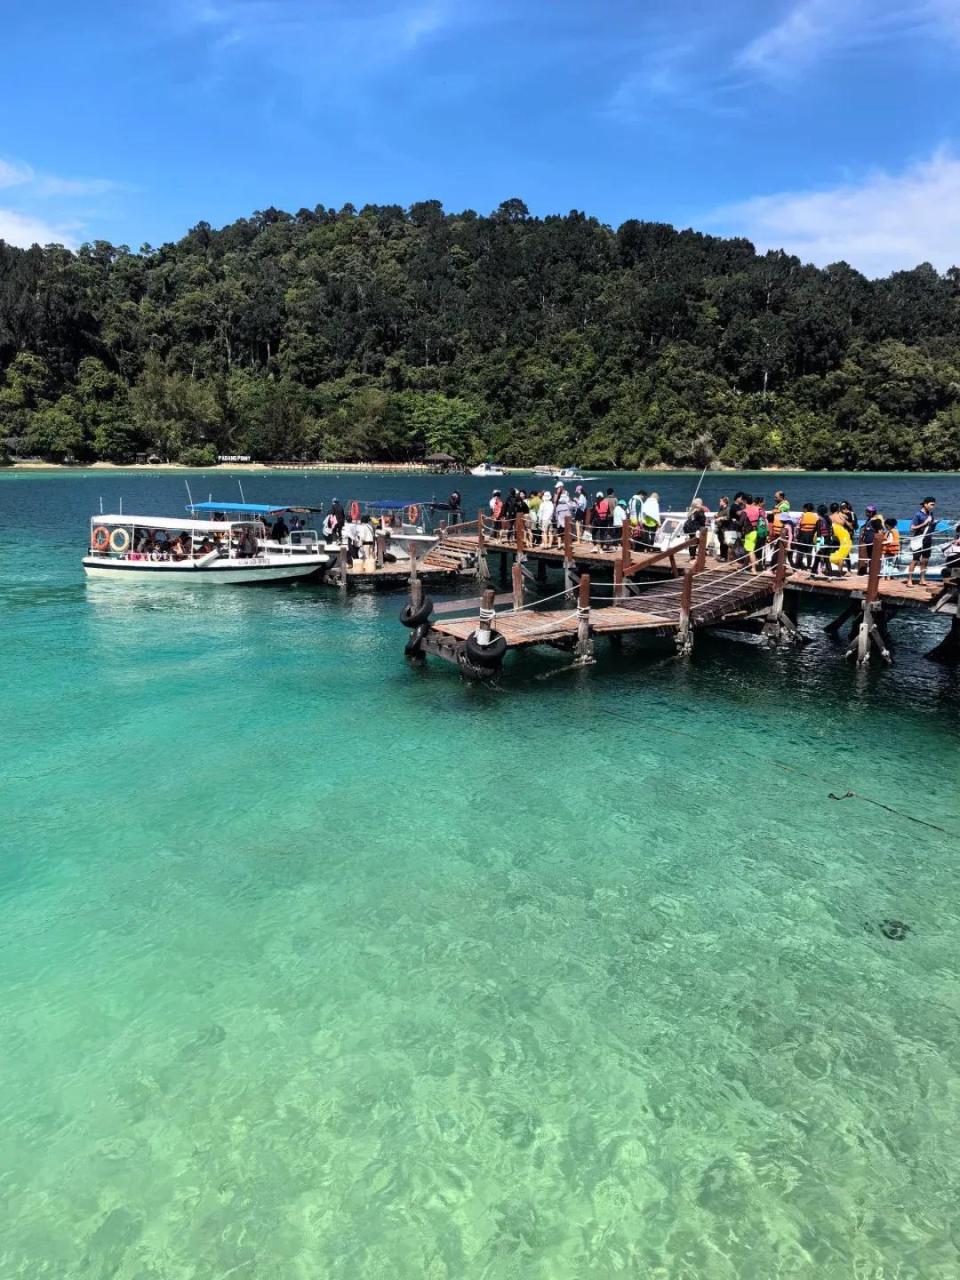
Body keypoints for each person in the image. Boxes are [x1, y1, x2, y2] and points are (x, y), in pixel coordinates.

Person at [906, 496, 937, 586]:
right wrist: (924, 523)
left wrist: (933, 524)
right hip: (918, 539)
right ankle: (909, 580)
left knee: (925, 560)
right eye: (931, 505)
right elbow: (912, 528)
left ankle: (922, 579)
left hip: (927, 539)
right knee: (915, 559)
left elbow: (930, 526)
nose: (933, 506)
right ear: (925, 504)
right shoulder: (918, 514)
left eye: (934, 505)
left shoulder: (931, 514)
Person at [793, 502, 819, 572]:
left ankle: (798, 565)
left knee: (800, 551)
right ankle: (808, 566)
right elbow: (817, 527)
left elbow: (798, 526)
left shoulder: (803, 515)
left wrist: (796, 536)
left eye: (804, 508)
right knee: (809, 551)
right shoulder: (815, 516)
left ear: (806, 509)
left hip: (802, 535)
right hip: (811, 535)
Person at [714, 496, 731, 561]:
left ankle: (725, 557)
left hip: (725, 529)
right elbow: (719, 515)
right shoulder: (721, 509)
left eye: (720, 501)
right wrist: (716, 516)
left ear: (724, 502)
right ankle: (722, 556)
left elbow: (729, 517)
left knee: (725, 543)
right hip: (720, 529)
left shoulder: (728, 509)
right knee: (721, 542)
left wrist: (721, 518)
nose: (719, 502)